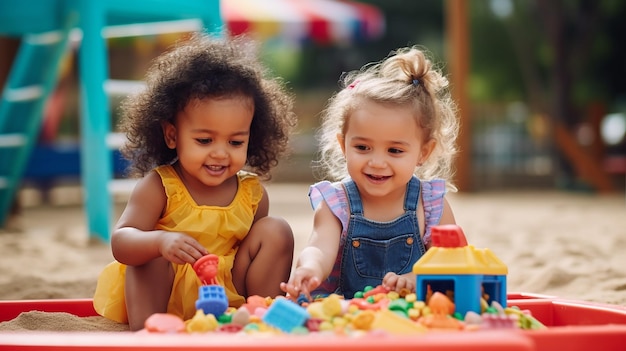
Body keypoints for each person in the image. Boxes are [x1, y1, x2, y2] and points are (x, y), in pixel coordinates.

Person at [93, 33, 297, 331]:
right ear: (172, 135)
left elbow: (251, 255)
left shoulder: (252, 194)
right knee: (148, 253)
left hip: (224, 292)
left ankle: (260, 317)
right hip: (166, 294)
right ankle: (151, 331)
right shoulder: (160, 186)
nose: (220, 153)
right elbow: (121, 243)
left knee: (275, 230)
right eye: (204, 140)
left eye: (235, 141)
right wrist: (160, 241)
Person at [281, 46, 459, 300]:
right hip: (347, 315)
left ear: (424, 152)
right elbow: (319, 247)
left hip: (414, 317)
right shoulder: (336, 203)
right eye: (362, 147)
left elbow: (453, 261)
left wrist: (417, 278)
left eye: (395, 151)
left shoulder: (431, 206)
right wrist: (310, 267)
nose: (377, 162)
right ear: (343, 145)